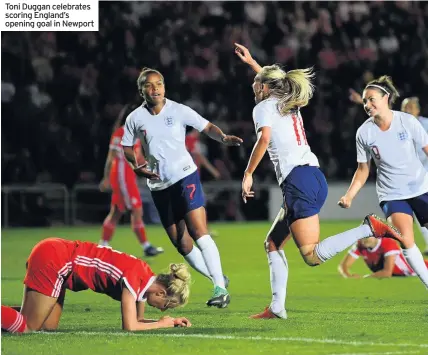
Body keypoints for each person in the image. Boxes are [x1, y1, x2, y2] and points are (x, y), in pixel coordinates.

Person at [234, 43, 402, 320]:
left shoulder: (263, 107)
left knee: (311, 256)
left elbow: (264, 138)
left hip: (299, 180)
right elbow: (271, 81)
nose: (253, 86)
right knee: (272, 244)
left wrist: (248, 173)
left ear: (265, 87)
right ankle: (277, 308)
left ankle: (367, 228)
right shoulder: (284, 98)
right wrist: (253, 62)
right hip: (310, 176)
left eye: (256, 83)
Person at [121, 68, 243, 308]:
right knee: (183, 244)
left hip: (185, 176)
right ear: (141, 90)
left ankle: (220, 288)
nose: (154, 88)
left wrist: (223, 138)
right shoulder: (135, 118)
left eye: (158, 84)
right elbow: (127, 145)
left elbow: (206, 126)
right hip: (159, 185)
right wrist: (135, 165)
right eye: (149, 85)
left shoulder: (179, 110)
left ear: (164, 87)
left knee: (198, 231)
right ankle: (218, 278)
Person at [339, 76, 428, 290]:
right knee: (406, 240)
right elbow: (363, 169)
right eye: (365, 101)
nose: (367, 105)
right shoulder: (364, 132)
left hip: (420, 187)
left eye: (371, 100)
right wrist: (349, 195)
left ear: (386, 98)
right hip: (391, 194)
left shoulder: (408, 122)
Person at [1, 237, 191, 333]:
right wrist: (160, 324)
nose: (161, 310)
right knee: (28, 327)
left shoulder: (144, 279)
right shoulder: (134, 279)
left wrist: (171, 322)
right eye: (166, 305)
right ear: (160, 293)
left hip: (57, 255)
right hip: (56, 259)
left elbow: (138, 321)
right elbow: (130, 327)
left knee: (48, 325)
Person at [99, 103, 164, 257]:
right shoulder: (120, 133)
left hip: (127, 178)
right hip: (122, 178)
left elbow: (137, 157)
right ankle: (146, 246)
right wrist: (106, 178)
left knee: (116, 211)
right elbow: (111, 158)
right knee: (137, 210)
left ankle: (103, 245)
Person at [401, 97, 428, 255]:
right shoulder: (397, 126)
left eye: (411, 107)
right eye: (405, 107)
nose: (408, 110)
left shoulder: (425, 124)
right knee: (421, 212)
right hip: (412, 176)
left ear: (418, 110)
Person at [339, 236, 428, 278]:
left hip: (419, 269)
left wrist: (364, 278)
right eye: (363, 235)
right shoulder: (360, 244)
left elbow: (387, 273)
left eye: (368, 235)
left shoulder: (387, 243)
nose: (364, 239)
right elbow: (344, 266)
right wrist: (348, 276)